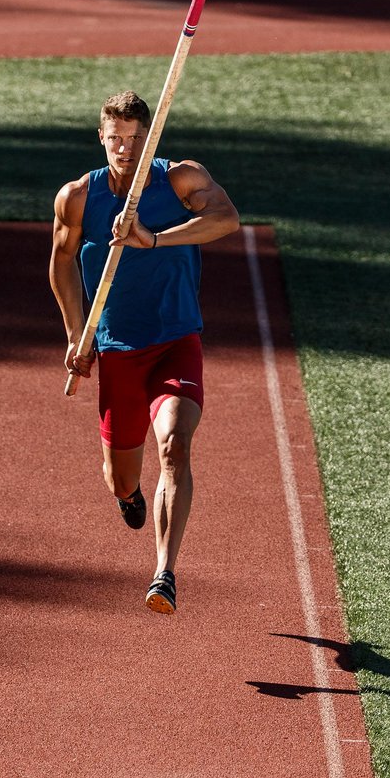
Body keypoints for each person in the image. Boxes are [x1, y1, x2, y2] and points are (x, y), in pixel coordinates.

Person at [49, 89, 240, 614]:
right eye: (115, 139)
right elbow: (60, 261)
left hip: (176, 341)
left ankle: (164, 573)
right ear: (101, 137)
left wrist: (152, 239)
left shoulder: (179, 180)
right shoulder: (78, 198)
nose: (125, 149)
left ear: (149, 137)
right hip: (117, 352)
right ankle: (129, 497)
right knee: (121, 477)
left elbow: (226, 219)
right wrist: (76, 333)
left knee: (175, 445)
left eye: (135, 139)